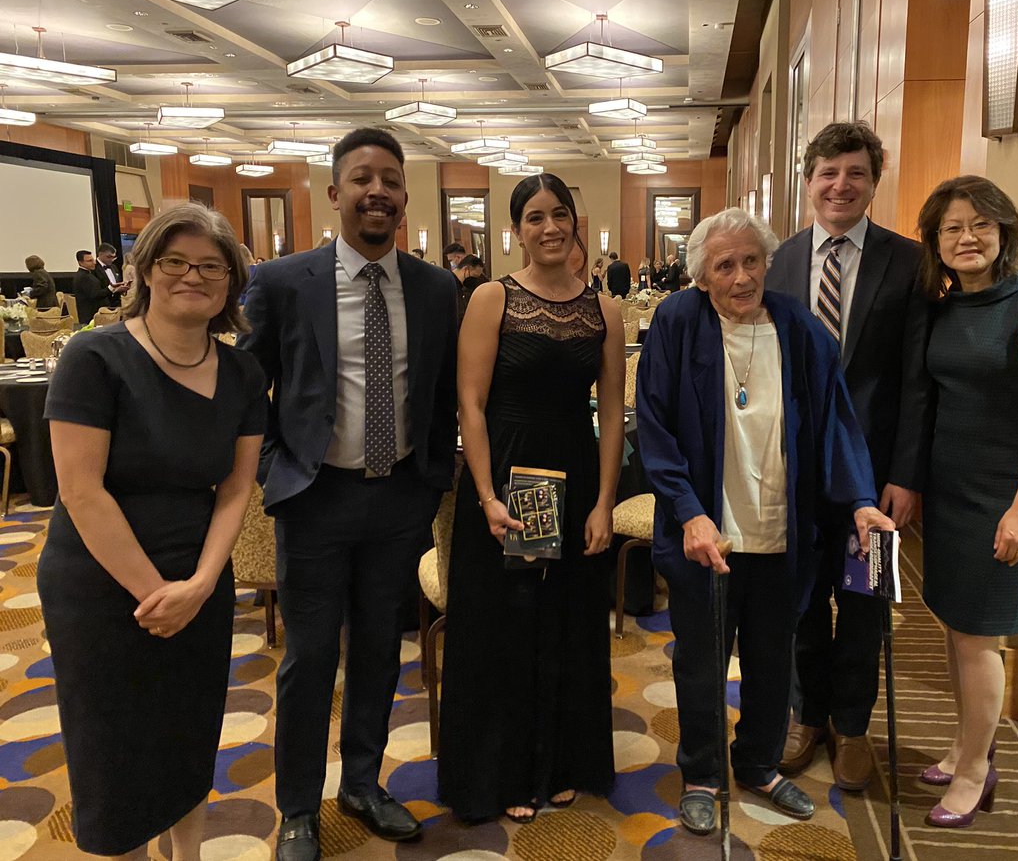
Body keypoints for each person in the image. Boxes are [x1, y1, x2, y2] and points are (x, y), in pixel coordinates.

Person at [636, 207, 893, 836]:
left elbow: (835, 420)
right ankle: (701, 771)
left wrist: (860, 497)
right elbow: (656, 427)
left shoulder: (799, 327)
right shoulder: (677, 322)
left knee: (773, 658)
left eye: (752, 260)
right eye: (725, 265)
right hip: (705, 536)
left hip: (781, 529)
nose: (742, 276)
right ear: (701, 276)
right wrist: (689, 513)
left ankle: (755, 762)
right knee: (700, 659)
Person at [240, 128, 458, 860]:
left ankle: (362, 783)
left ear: (404, 197)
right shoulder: (281, 283)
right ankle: (298, 807)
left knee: (376, 650)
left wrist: (428, 477)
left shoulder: (435, 288)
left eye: (390, 180)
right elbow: (248, 390)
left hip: (398, 498)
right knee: (308, 659)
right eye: (361, 178)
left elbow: (441, 396)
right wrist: (278, 468)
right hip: (315, 499)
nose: (377, 191)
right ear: (333, 193)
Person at [37, 203, 265, 857]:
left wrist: (198, 585)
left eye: (210, 266)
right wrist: (154, 593)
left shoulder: (244, 372)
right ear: (144, 269)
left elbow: (235, 489)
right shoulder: (94, 356)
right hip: (99, 587)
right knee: (113, 747)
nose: (192, 276)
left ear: (230, 282)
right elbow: (81, 491)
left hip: (198, 579)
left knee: (188, 733)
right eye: (175, 261)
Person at [438, 173, 624, 823]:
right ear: (518, 229)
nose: (550, 227)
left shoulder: (604, 309)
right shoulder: (493, 298)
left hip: (572, 480)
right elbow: (472, 403)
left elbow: (614, 409)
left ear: (575, 221)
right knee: (508, 625)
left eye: (560, 215)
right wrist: (486, 495)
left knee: (569, 623)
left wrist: (605, 502)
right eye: (536, 217)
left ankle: (562, 761)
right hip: (512, 480)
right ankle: (507, 771)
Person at [765, 120, 933, 791]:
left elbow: (920, 380)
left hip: (874, 479)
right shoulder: (777, 261)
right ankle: (807, 714)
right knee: (802, 597)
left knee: (865, 604)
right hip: (796, 473)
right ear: (809, 182)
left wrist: (906, 474)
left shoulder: (909, 261)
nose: (841, 184)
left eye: (855, 173)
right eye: (828, 172)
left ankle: (853, 725)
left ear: (873, 182)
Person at [915, 175, 1018, 828]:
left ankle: (978, 771)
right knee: (955, 627)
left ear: (1003, 231)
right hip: (949, 493)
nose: (966, 237)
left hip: (1002, 497)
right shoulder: (950, 306)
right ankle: (962, 745)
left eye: (980, 224)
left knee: (981, 637)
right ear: (937, 241)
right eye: (952, 227)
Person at [73, 249, 109, 326]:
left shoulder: (88, 274)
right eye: (89, 261)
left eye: (93, 260)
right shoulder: (83, 276)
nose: (94, 263)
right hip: (89, 316)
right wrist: (111, 289)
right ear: (80, 263)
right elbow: (95, 295)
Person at [453, 254, 487, 322]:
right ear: (465, 269)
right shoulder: (449, 285)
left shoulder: (461, 288)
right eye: (474, 276)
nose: (475, 280)